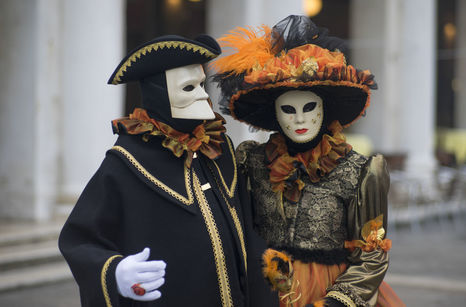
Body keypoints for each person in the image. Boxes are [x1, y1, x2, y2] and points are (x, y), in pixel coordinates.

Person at [59, 34, 276, 307]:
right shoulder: (126, 164)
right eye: (188, 88)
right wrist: (115, 272)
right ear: (159, 95)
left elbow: (249, 228)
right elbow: (80, 239)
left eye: (201, 84)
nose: (202, 95)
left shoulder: (217, 150)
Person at [212, 15, 405, 307]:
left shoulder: (359, 171)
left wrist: (336, 302)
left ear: (324, 109)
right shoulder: (252, 162)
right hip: (266, 289)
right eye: (288, 109)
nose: (300, 118)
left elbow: (372, 256)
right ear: (275, 115)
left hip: (332, 292)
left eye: (309, 107)